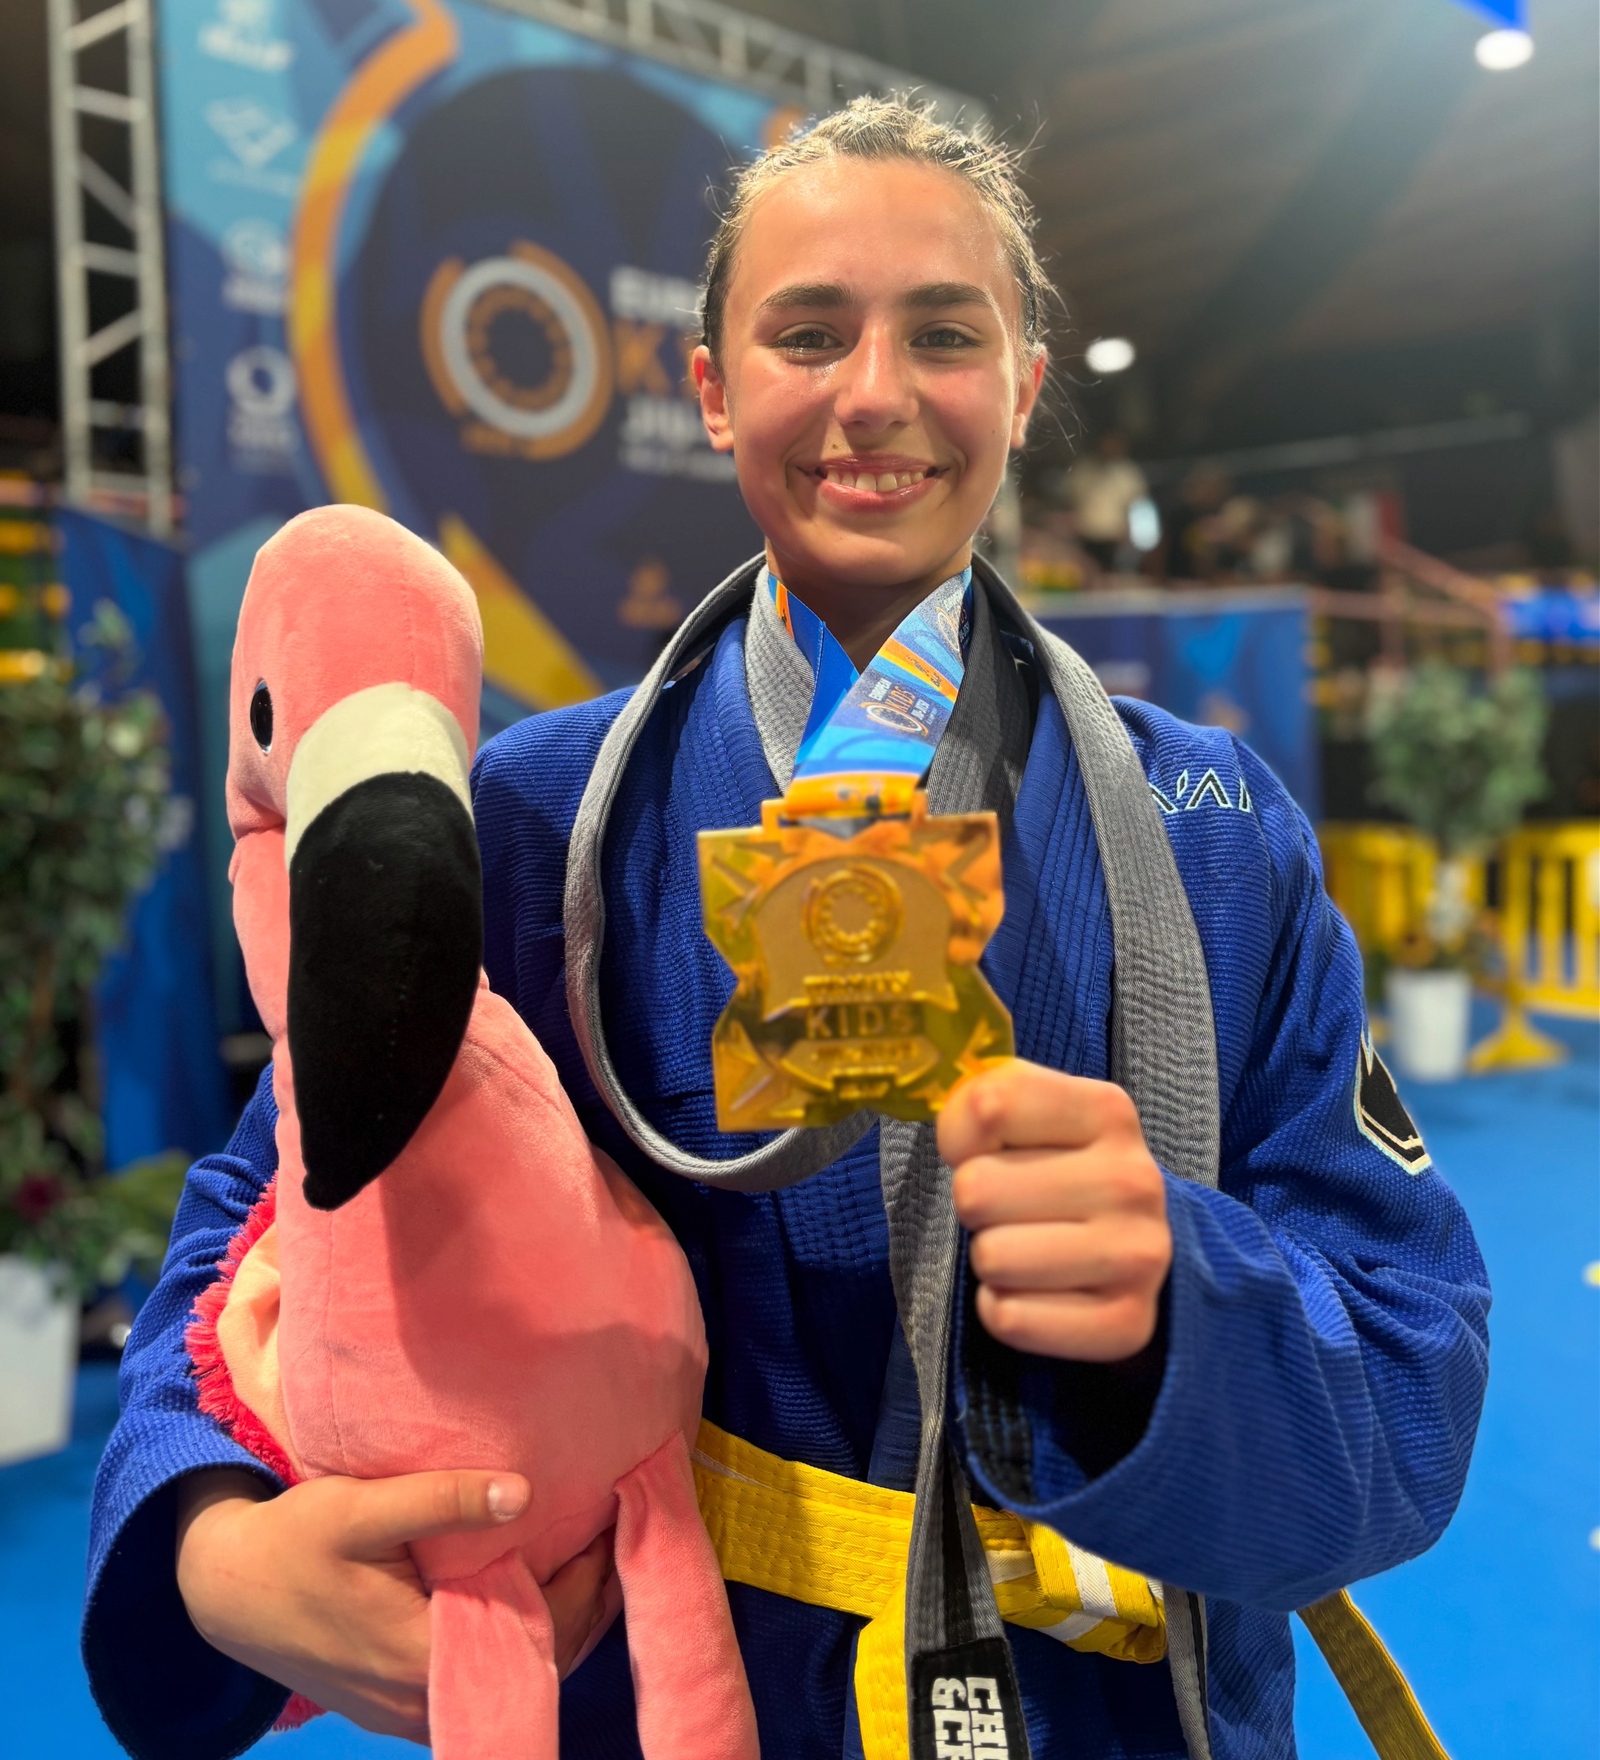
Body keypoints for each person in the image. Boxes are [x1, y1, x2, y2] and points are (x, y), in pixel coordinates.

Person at [83, 98, 1489, 1760]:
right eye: (808, 333)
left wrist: (1179, 1306)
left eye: (946, 334)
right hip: (691, 1690)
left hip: (1120, 1706)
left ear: (1024, 384)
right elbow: (267, 1202)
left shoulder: (1219, 831)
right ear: (712, 389)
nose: (874, 392)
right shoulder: (538, 819)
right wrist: (206, 1529)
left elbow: (1410, 1359)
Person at [1059, 431, 1148, 575]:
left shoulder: (1127, 473)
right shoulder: (1083, 469)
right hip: (1085, 531)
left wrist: (1128, 531)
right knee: (1086, 572)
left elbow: (1133, 505)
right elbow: (1069, 500)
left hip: (1113, 534)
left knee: (1110, 574)